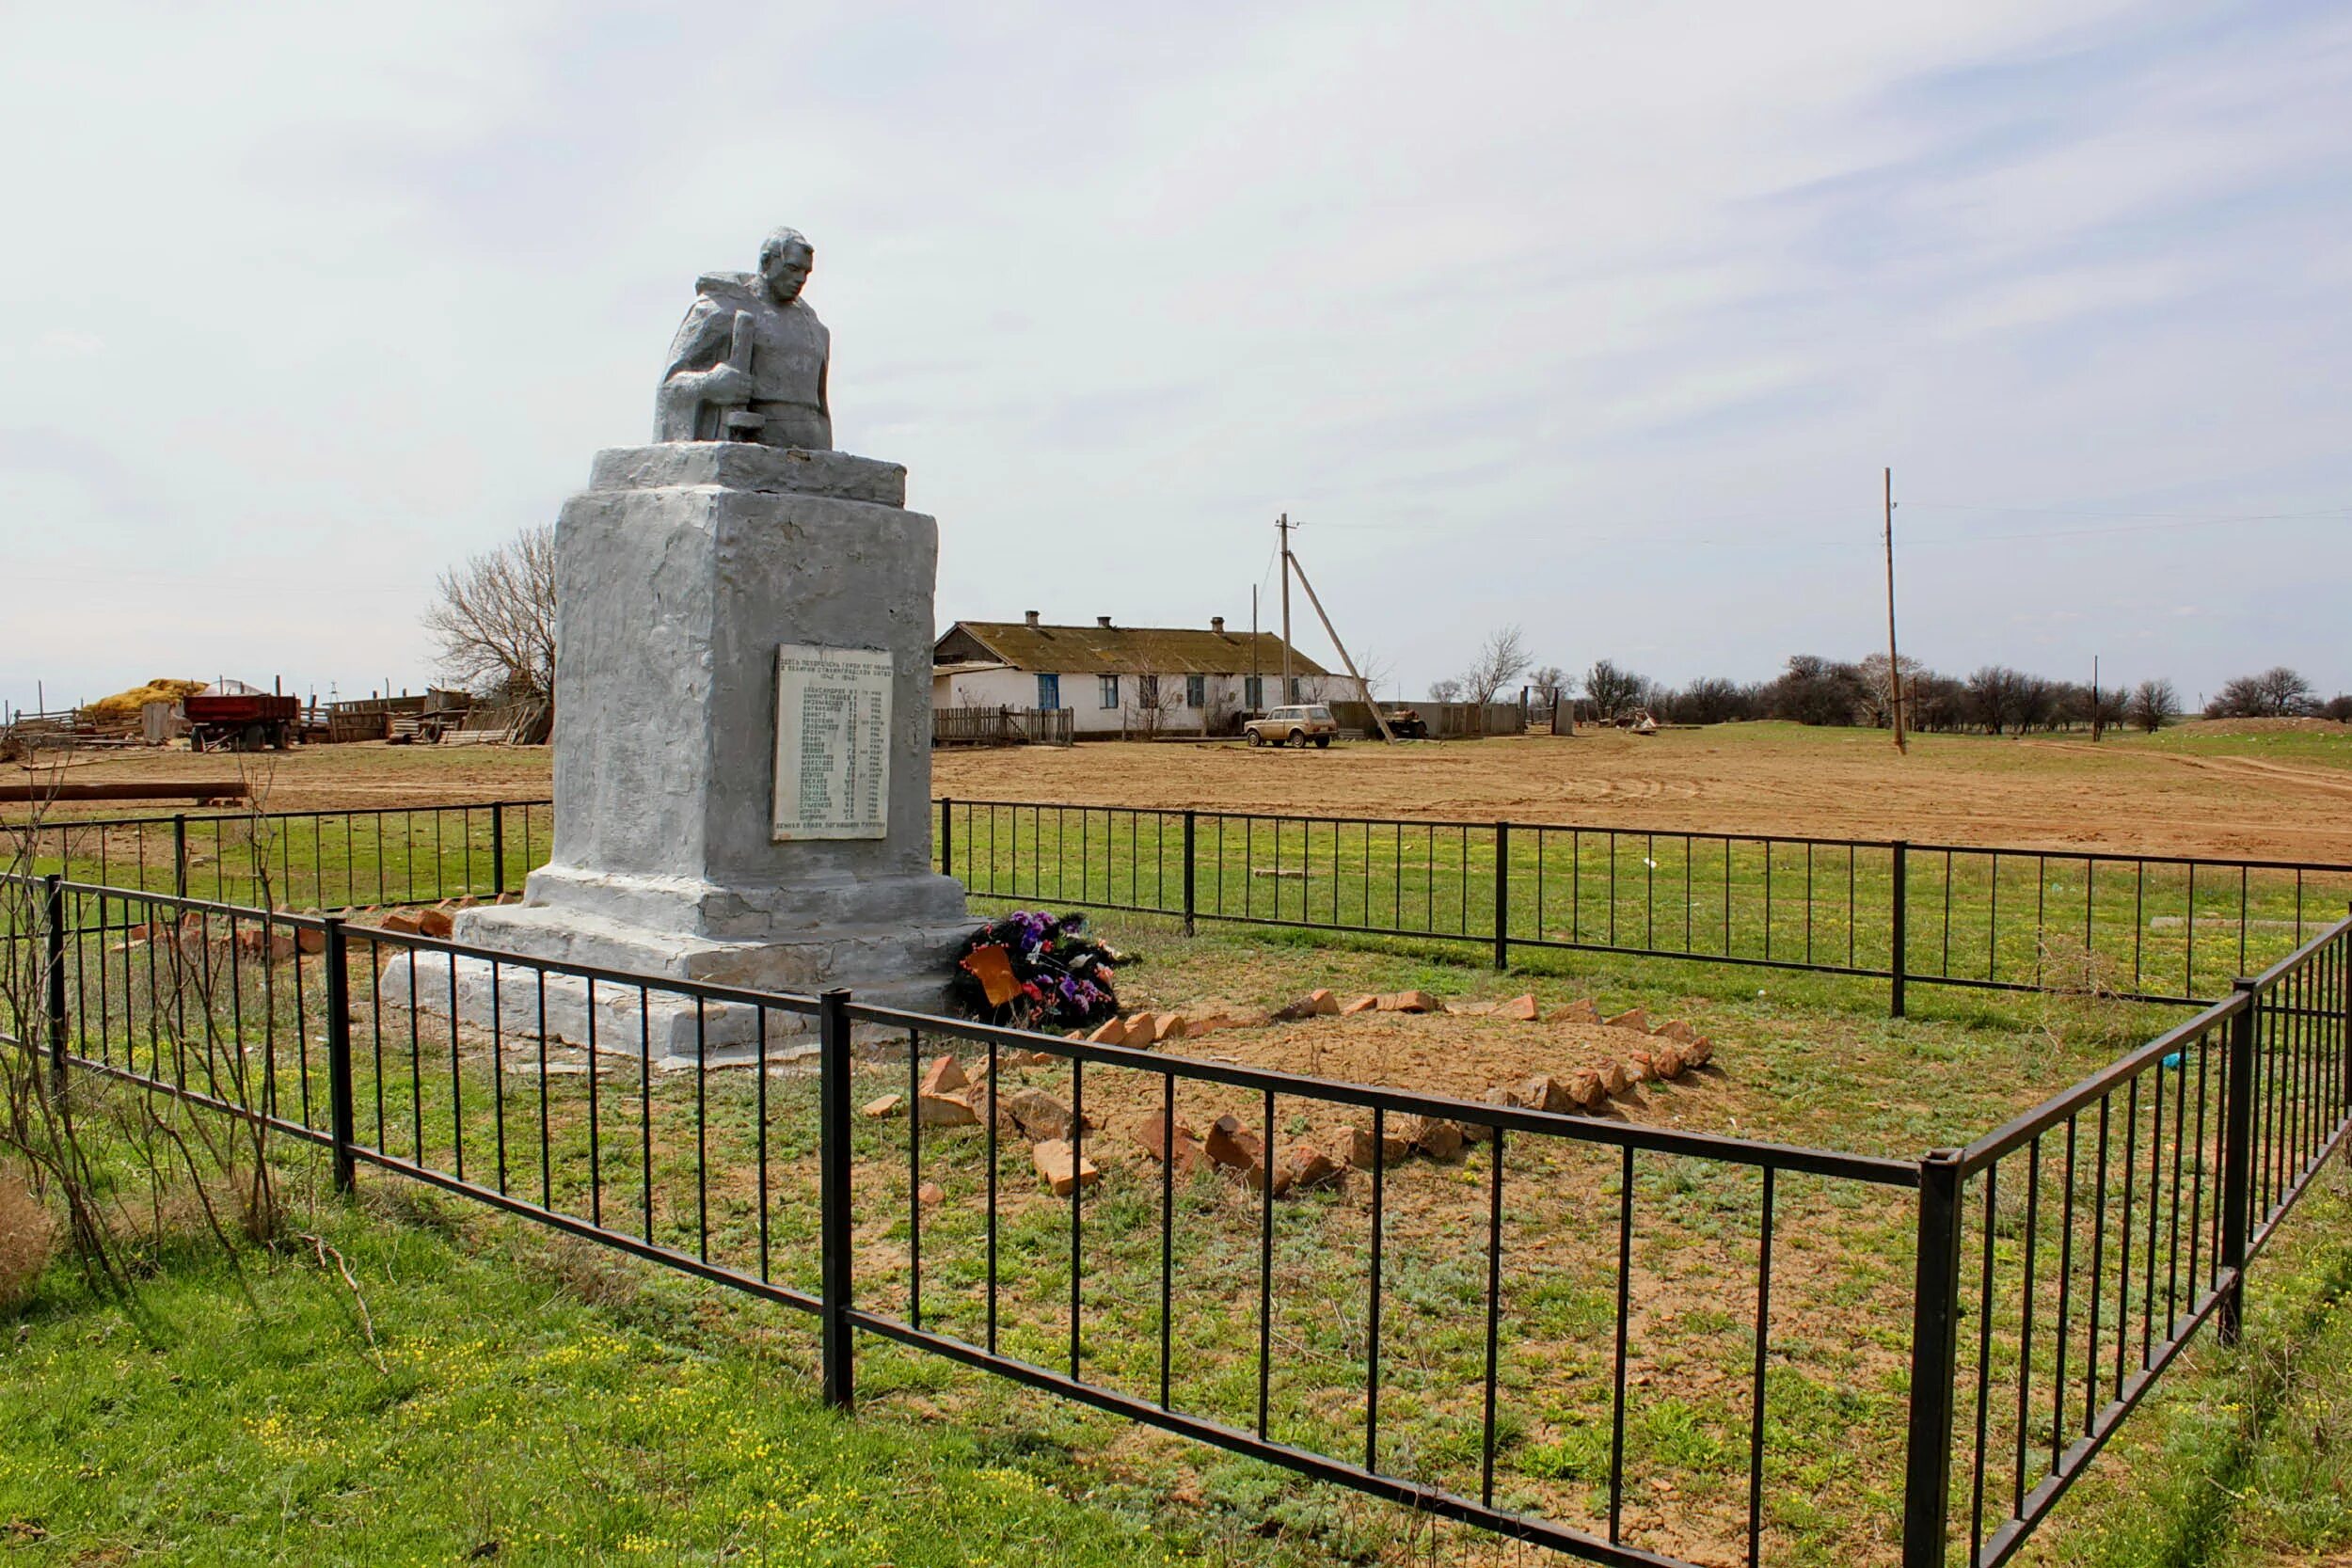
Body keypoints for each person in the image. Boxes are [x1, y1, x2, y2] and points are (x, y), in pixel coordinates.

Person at [653, 226, 832, 449]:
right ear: (766, 263)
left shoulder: (815, 328)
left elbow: (822, 408)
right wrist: (710, 384)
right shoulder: (721, 308)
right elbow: (669, 386)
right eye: (792, 268)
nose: (800, 279)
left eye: (806, 272)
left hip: (810, 456)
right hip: (750, 444)